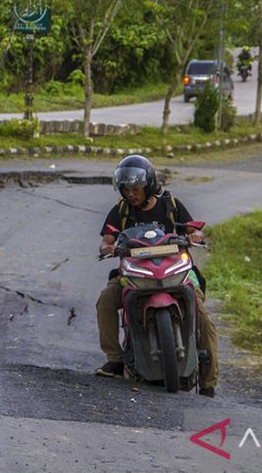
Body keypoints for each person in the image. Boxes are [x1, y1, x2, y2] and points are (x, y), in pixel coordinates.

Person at [94, 155, 219, 397]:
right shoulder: (121, 210)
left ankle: (208, 382)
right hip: (134, 273)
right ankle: (115, 360)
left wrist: (194, 237)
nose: (131, 194)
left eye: (136, 189)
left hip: (175, 272)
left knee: (204, 319)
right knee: (106, 301)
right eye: (126, 189)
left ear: (149, 185)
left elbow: (194, 230)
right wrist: (107, 248)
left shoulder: (171, 205)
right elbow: (106, 240)